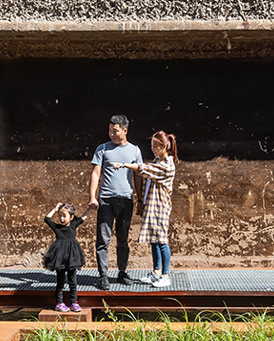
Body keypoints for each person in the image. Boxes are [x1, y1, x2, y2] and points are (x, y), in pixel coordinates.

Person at [115, 130, 178, 288]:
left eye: (156, 146)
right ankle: (156, 272)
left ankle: (165, 275)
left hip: (161, 207)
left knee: (162, 241)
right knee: (154, 241)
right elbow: (147, 183)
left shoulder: (167, 165)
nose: (153, 149)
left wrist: (124, 164)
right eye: (152, 146)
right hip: (151, 206)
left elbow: (144, 169)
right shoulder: (157, 161)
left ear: (164, 147)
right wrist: (141, 202)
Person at [88, 115, 144, 288]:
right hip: (106, 200)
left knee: (123, 239)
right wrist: (92, 196)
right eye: (110, 130)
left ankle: (122, 272)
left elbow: (138, 175)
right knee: (102, 240)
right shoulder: (102, 148)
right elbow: (96, 173)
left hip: (126, 199)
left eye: (115, 130)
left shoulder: (135, 150)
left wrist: (140, 198)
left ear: (125, 131)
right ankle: (103, 275)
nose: (112, 134)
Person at [41, 202, 87, 312]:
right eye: (59, 216)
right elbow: (47, 219)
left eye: (64, 216)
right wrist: (55, 208)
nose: (61, 219)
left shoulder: (73, 225)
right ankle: (59, 303)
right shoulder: (57, 227)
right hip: (60, 258)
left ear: (71, 217)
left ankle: (74, 302)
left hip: (72, 258)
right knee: (60, 281)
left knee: (73, 281)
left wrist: (90, 209)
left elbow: (83, 217)